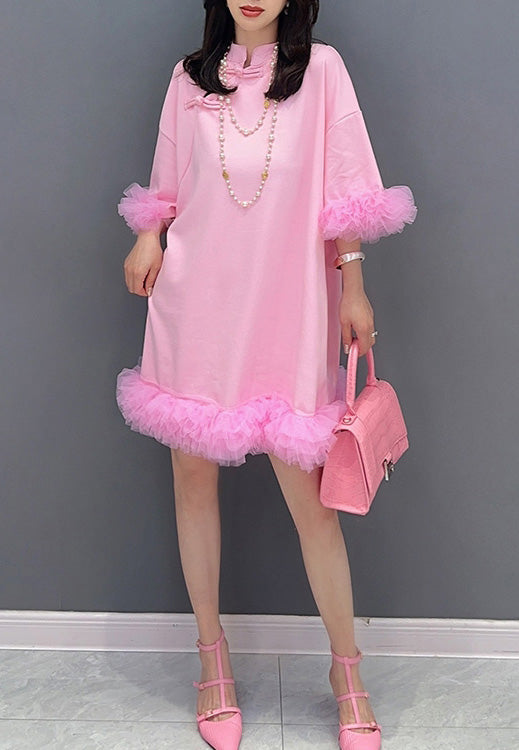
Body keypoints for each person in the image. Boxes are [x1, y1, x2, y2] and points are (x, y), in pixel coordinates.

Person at [115, 1, 417, 748]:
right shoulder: (188, 79)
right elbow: (165, 178)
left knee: (312, 504)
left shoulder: (322, 71)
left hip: (289, 304)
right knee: (192, 481)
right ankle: (211, 662)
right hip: (196, 303)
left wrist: (353, 285)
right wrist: (149, 235)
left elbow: (346, 189)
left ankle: (346, 673)